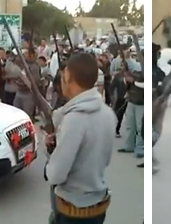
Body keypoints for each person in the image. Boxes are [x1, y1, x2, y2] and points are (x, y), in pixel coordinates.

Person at [44, 53, 116, 224]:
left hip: (74, 211)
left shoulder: (74, 119)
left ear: (68, 77)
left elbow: (56, 175)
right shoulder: (107, 113)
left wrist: (50, 162)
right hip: (97, 205)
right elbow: (102, 159)